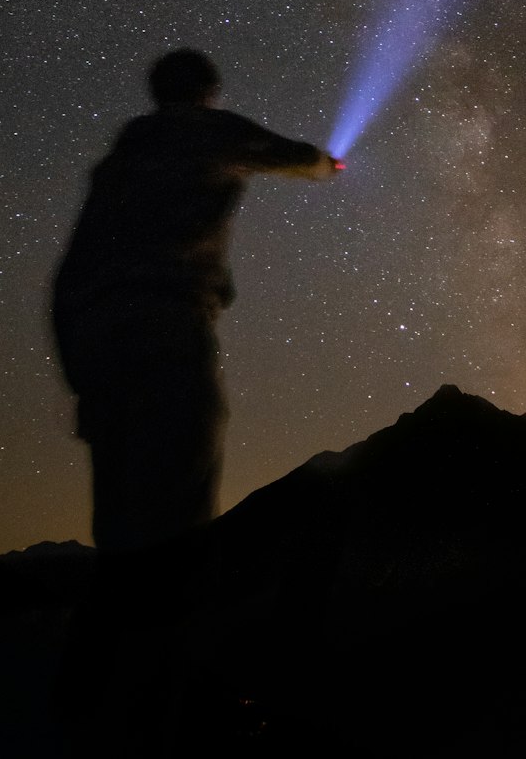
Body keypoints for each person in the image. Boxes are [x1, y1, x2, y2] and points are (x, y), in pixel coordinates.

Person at [53, 47, 340, 555]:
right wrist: (327, 163)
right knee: (182, 492)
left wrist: (80, 377)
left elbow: (69, 274)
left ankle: (115, 625)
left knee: (117, 516)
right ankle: (171, 624)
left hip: (97, 341)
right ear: (208, 94)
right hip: (166, 322)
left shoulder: (118, 162)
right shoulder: (208, 130)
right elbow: (294, 157)